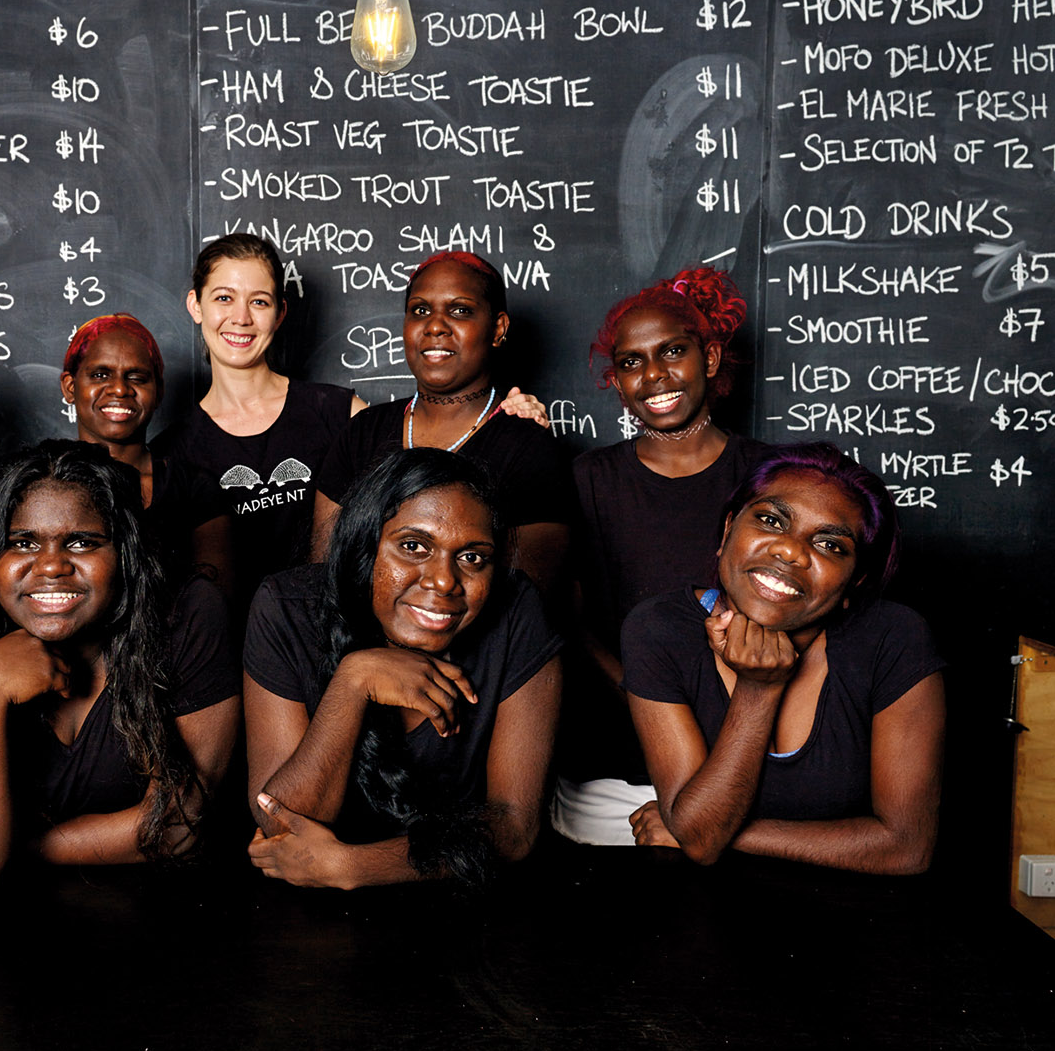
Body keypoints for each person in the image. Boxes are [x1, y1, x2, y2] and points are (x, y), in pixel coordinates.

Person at [0, 440, 238, 909]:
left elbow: (179, 826)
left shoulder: (187, 618)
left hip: (164, 926)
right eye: (22, 543)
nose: (52, 565)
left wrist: (14, 850)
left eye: (82, 541)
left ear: (124, 553)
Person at [156, 234, 545, 611]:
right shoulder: (171, 451)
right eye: (224, 298)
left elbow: (428, 475)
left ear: (280, 312)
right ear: (196, 305)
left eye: (259, 301)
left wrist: (502, 415)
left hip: (324, 630)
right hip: (222, 645)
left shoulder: (341, 413)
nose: (240, 318)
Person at [245, 449, 562, 889]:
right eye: (413, 547)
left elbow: (514, 829)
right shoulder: (287, 609)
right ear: (364, 544)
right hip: (311, 922)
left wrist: (355, 866)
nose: (444, 581)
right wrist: (353, 682)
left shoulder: (515, 611)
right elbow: (279, 822)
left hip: (465, 904)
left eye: (472, 557)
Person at [623, 443, 945, 874]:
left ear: (855, 581)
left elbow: (906, 849)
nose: (790, 551)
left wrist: (703, 830)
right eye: (771, 521)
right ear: (726, 532)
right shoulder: (659, 630)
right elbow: (700, 840)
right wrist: (759, 690)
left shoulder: (893, 639)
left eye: (830, 545)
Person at [554, 265, 771, 845]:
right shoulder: (587, 479)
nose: (655, 375)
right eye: (631, 362)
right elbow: (566, 618)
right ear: (618, 383)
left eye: (673, 351)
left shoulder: (771, 477)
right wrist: (643, 692)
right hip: (615, 774)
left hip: (753, 762)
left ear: (712, 360)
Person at [311, 251, 572, 598]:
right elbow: (324, 572)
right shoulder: (363, 432)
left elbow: (526, 603)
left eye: (460, 310)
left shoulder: (527, 448)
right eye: (420, 311)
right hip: (356, 641)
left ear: (498, 329)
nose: (434, 326)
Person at [60, 312, 230, 592]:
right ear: (70, 386)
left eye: (137, 377)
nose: (119, 388)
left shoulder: (195, 490)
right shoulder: (35, 485)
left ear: (158, 391)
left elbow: (213, 602)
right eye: (100, 375)